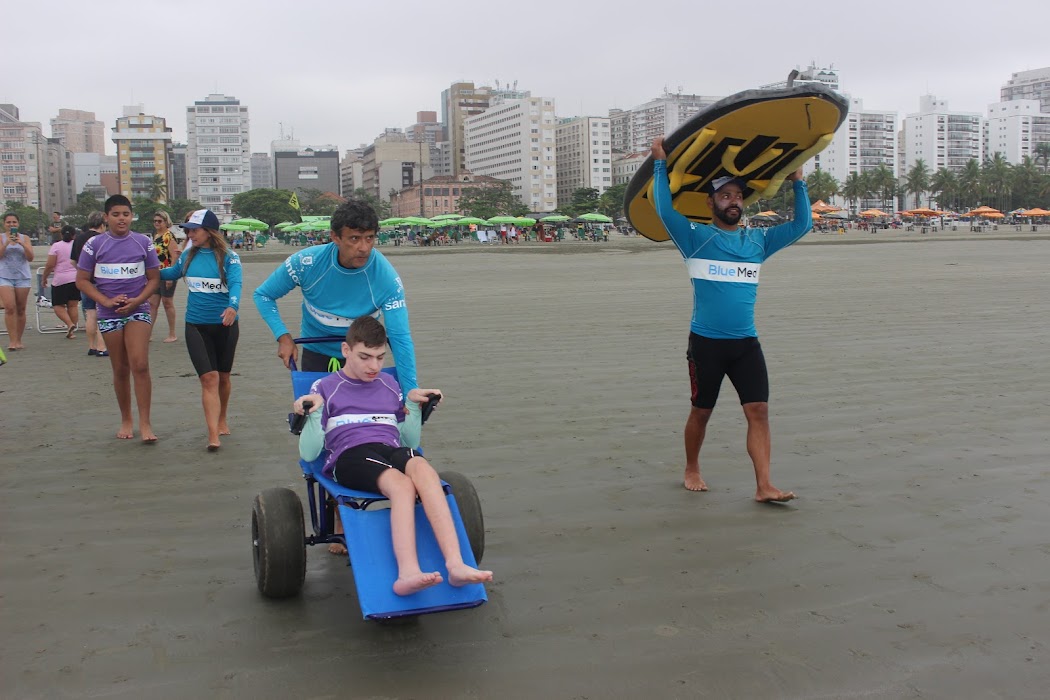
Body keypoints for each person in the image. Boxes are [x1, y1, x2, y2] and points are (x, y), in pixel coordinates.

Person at [650, 136, 813, 503]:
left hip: (745, 343)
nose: (733, 202)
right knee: (702, 411)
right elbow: (663, 210)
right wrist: (660, 163)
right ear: (711, 203)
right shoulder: (696, 238)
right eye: (725, 196)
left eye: (738, 196)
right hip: (706, 343)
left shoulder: (758, 242)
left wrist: (799, 182)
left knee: (759, 410)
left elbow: (802, 225)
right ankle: (692, 467)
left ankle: (764, 486)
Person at [293, 315, 492, 596]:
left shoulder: (388, 383)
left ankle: (456, 564)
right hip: (349, 455)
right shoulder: (325, 387)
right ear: (346, 350)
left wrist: (412, 402)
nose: (374, 366)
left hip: (388, 448)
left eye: (379, 357)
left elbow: (408, 439)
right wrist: (311, 414)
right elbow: (309, 453)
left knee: (424, 471)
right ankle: (407, 573)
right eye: (365, 357)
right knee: (402, 486)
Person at [253, 198, 419, 393]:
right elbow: (263, 295)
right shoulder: (306, 263)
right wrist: (283, 336)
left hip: (361, 359)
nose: (364, 248)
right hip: (316, 353)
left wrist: (411, 393)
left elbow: (400, 338)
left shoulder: (386, 278)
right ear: (335, 237)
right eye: (355, 238)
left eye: (369, 238)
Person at [75, 195, 160, 441]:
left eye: (126, 214)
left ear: (131, 216)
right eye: (116, 215)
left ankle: (145, 423)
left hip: (138, 310)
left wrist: (137, 300)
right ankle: (127, 419)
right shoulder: (94, 244)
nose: (121, 219)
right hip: (108, 313)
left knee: (140, 365)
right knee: (120, 368)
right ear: (106, 217)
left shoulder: (143, 242)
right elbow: (82, 280)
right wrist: (105, 301)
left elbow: (154, 278)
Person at [159, 209, 241, 451]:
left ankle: (222, 416)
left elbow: (236, 283)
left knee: (223, 377)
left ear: (209, 231)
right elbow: (170, 274)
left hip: (225, 325)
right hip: (196, 325)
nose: (190, 234)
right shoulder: (188, 257)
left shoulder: (229, 257)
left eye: (194, 230)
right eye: (188, 230)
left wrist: (232, 306)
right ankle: (213, 433)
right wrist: (144, 268)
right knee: (208, 378)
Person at [71, 212, 109, 357]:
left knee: (90, 313)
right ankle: (102, 347)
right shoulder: (103, 239)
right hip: (101, 280)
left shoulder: (79, 238)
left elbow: (73, 261)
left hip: (85, 282)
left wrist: (82, 273)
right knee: (102, 313)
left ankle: (92, 346)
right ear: (102, 224)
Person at [0, 212, 34, 350]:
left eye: (14, 222)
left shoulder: (25, 238)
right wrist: (7, 243)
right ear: (4, 224)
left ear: (18, 224)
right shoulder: (1, 238)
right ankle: (12, 341)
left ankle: (19, 340)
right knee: (9, 307)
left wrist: (22, 244)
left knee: (21, 309)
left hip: (22, 277)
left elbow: (30, 257)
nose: (11, 225)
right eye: (8, 222)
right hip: (4, 275)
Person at [40, 225, 81, 338]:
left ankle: (69, 324)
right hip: (75, 278)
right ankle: (72, 331)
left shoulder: (56, 246)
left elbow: (50, 265)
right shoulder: (77, 245)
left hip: (60, 280)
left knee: (58, 305)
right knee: (73, 305)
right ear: (74, 235)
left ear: (61, 235)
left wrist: (44, 278)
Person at [148, 210, 181, 343]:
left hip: (167, 273)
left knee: (167, 303)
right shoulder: (156, 236)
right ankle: (148, 333)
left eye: (159, 221)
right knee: (152, 303)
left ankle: (172, 333)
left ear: (166, 222)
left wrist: (170, 277)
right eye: (155, 221)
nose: (156, 223)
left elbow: (174, 257)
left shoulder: (169, 236)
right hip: (156, 275)